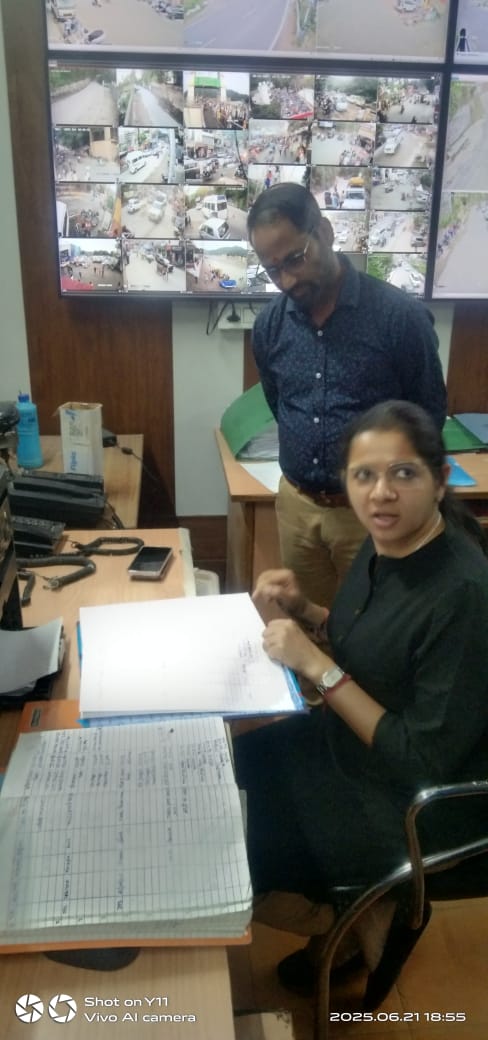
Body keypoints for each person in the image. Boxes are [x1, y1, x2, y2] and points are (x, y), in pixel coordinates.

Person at [233, 400, 488, 1001]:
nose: (380, 493)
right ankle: (349, 918)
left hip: (414, 799)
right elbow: (374, 644)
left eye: (403, 473)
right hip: (348, 743)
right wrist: (306, 610)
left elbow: (422, 758)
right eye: (363, 475)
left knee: (240, 855)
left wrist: (315, 665)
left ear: (440, 479)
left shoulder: (464, 593)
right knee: (227, 778)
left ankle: (359, 918)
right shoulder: (387, 541)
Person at [247, 182, 446, 620]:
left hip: (375, 510)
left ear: (325, 232)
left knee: (378, 630)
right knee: (308, 625)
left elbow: (428, 416)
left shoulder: (398, 318)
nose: (287, 280)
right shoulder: (269, 326)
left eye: (295, 259)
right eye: (272, 269)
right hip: (298, 508)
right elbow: (280, 403)